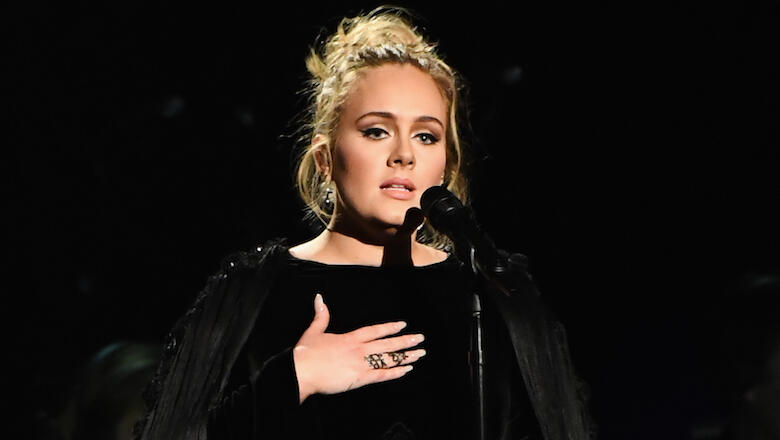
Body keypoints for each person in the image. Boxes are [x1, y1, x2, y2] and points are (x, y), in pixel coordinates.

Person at [134, 6, 593, 440]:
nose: (404, 154)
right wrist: (296, 377)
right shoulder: (251, 295)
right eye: (376, 131)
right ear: (325, 159)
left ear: (445, 166)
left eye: (426, 136)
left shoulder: (492, 291)